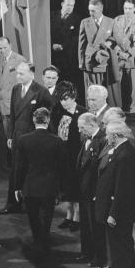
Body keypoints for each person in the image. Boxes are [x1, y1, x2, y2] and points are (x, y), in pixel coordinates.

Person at [0, 61, 54, 215]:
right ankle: (12, 204)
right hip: (17, 136)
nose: (18, 76)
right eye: (17, 73)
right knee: (15, 170)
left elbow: (49, 115)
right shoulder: (16, 89)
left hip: (32, 138)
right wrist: (10, 135)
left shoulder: (41, 91)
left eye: (21, 73)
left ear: (31, 74)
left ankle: (33, 205)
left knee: (30, 171)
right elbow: (13, 115)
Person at [95, 121, 135, 268]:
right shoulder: (122, 152)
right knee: (119, 250)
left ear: (115, 135)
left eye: (108, 135)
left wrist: (113, 214)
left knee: (123, 251)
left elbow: (123, 189)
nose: (107, 138)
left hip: (120, 213)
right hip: (118, 211)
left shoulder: (125, 155)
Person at [13, 107, 66, 258]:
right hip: (49, 186)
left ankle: (38, 242)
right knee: (47, 217)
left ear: (33, 120)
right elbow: (62, 167)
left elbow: (20, 166)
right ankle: (44, 243)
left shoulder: (23, 140)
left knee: (33, 217)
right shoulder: (57, 141)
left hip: (30, 185)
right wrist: (60, 188)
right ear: (48, 121)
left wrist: (17, 186)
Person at [50, 82, 85, 231]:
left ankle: (77, 218)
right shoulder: (59, 112)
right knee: (66, 189)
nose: (63, 102)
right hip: (63, 157)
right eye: (61, 99)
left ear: (73, 97)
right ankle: (68, 216)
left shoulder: (82, 112)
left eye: (66, 99)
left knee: (75, 189)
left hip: (76, 157)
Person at [77, 112, 107, 268]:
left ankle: (98, 256)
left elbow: (101, 171)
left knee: (95, 227)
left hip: (93, 191)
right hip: (84, 191)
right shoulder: (86, 139)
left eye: (82, 128)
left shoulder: (102, 140)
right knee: (85, 225)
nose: (80, 131)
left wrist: (98, 192)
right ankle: (86, 253)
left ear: (91, 125)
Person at [0, 36, 27, 170]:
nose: (2, 51)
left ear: (10, 46)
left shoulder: (20, 60)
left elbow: (25, 84)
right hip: (4, 108)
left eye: (4, 48)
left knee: (17, 139)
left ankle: (19, 167)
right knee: (9, 139)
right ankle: (12, 168)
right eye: (0, 49)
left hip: (16, 108)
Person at [111, 0, 135, 114]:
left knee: (134, 88)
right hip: (118, 58)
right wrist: (119, 52)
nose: (127, 11)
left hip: (133, 58)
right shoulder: (116, 20)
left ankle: (133, 110)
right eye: (125, 8)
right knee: (117, 87)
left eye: (130, 8)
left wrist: (130, 53)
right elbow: (110, 39)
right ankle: (118, 110)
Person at [78, 0, 117, 94]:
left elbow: (116, 38)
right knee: (91, 89)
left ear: (101, 9)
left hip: (104, 59)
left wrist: (110, 42)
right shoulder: (85, 22)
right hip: (89, 59)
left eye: (93, 11)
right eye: (89, 10)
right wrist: (81, 62)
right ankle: (92, 109)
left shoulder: (110, 21)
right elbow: (81, 43)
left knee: (103, 88)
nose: (90, 13)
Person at [50, 0, 81, 99]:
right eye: (68, 5)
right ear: (62, 4)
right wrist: (51, 45)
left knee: (68, 83)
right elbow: (45, 33)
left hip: (68, 58)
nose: (70, 7)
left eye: (72, 6)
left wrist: (63, 46)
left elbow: (76, 38)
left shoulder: (77, 19)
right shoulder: (51, 16)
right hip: (52, 56)